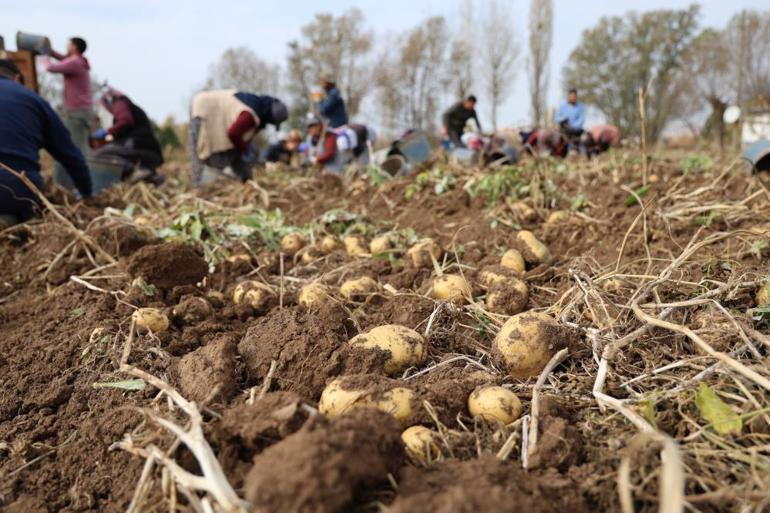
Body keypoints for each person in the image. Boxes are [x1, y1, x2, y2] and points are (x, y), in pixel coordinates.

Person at [0, 59, 92, 226]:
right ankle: (12, 220)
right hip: (18, 188)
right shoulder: (34, 100)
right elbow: (70, 155)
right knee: (25, 209)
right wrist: (86, 192)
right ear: (17, 79)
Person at [189, 89, 288, 186]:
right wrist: (245, 149)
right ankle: (197, 186)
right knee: (199, 151)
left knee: (233, 153)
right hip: (203, 110)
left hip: (210, 109)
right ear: (269, 117)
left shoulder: (257, 105)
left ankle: (244, 180)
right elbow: (234, 133)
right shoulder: (250, 115)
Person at [42, 37, 94, 190]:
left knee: (74, 148)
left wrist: (45, 56)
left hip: (76, 112)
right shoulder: (78, 61)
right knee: (79, 147)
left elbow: (51, 68)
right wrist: (50, 51)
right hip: (81, 110)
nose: (66, 45)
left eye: (68, 43)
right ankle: (79, 185)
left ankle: (79, 187)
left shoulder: (75, 62)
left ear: (75, 47)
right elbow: (63, 58)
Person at [90, 87, 164, 184]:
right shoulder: (131, 108)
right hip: (149, 152)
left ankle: (135, 171)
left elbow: (125, 120)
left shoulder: (119, 103)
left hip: (140, 148)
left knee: (100, 155)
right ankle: (149, 176)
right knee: (107, 152)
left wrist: (107, 131)